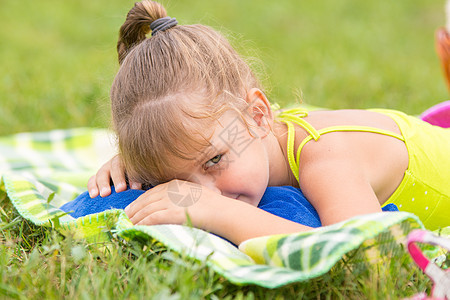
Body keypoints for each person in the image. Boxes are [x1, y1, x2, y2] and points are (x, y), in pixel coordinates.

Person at [88, 0, 450, 246]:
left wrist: (219, 213)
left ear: (258, 114)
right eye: (178, 180)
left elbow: (363, 256)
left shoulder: (327, 159)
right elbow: (204, 147)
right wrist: (135, 167)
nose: (203, 193)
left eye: (213, 161)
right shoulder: (237, 132)